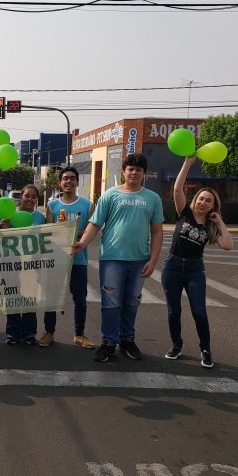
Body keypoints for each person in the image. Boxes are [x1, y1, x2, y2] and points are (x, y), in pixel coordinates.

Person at [74, 153, 164, 362]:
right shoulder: (110, 195)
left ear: (144, 174)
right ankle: (108, 342)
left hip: (139, 259)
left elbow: (157, 231)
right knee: (111, 303)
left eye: (138, 169)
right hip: (112, 259)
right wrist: (83, 243)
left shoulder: (152, 198)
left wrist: (153, 260)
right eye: (130, 169)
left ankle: (127, 340)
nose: (134, 172)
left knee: (132, 303)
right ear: (123, 171)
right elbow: (95, 224)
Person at [161, 156, 233, 368]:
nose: (203, 202)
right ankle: (176, 345)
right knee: (174, 310)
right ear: (195, 200)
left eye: (208, 200)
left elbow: (228, 245)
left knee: (199, 311)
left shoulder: (211, 226)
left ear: (213, 206)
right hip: (173, 266)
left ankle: (206, 349)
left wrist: (220, 222)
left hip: (194, 270)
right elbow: (176, 190)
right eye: (201, 198)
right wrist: (187, 163)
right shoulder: (185, 213)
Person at [39, 167, 95, 350]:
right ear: (60, 183)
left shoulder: (88, 205)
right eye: (65, 178)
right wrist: (60, 229)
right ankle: (49, 332)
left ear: (77, 182)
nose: (68, 181)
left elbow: (90, 231)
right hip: (56, 260)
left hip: (78, 260)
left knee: (80, 299)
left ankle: (79, 334)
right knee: (52, 298)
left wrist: (70, 231)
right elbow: (49, 233)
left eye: (72, 178)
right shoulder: (52, 206)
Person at [0, 184, 47, 345]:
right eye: (27, 196)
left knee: (30, 298)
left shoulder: (40, 218)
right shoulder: (10, 215)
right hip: (11, 262)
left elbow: (44, 240)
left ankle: (29, 334)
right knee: (12, 297)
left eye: (34, 197)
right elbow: (0, 238)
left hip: (32, 265)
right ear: (21, 197)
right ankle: (12, 334)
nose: (30, 199)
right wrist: (4, 228)